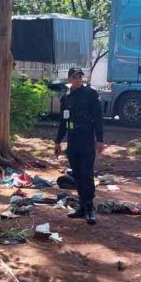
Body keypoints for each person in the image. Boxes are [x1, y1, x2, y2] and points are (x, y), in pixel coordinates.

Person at [54, 67, 104, 225]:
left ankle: (89, 209)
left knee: (87, 174)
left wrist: (100, 139)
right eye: (74, 77)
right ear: (69, 79)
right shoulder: (66, 97)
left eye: (79, 77)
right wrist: (57, 141)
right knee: (77, 175)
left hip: (87, 141)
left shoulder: (90, 94)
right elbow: (63, 121)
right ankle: (82, 207)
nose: (77, 80)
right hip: (73, 141)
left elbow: (98, 118)